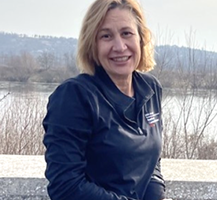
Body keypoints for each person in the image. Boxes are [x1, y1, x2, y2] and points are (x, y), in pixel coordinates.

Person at [42, 0, 168, 199]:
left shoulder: (150, 89)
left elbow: (151, 164)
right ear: (92, 44)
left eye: (127, 33)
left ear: (141, 39)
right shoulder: (74, 96)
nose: (119, 46)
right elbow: (65, 186)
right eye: (106, 36)